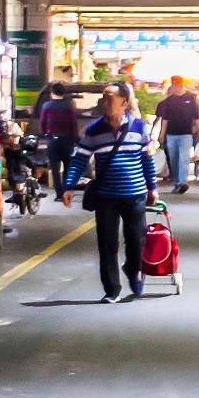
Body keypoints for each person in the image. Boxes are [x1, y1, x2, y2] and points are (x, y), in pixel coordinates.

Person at [74, 84, 157, 300]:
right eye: (103, 98)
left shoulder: (139, 127)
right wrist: (67, 185)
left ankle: (133, 269)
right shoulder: (94, 129)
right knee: (107, 244)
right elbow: (80, 158)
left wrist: (153, 187)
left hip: (135, 195)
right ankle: (112, 289)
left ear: (125, 102)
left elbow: (147, 160)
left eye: (110, 98)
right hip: (106, 196)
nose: (105, 102)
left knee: (137, 240)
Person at [154, 77, 199, 194]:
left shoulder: (190, 98)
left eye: (175, 84)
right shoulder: (169, 100)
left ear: (180, 85)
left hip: (186, 134)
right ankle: (177, 181)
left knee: (184, 159)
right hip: (171, 134)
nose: (174, 87)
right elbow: (165, 119)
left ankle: (182, 182)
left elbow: (197, 116)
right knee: (174, 159)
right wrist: (162, 134)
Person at [34, 84, 84, 193]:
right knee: (67, 166)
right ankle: (66, 190)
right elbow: (73, 124)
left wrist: (44, 135)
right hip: (67, 141)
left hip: (53, 140)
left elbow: (42, 123)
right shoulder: (69, 106)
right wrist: (76, 139)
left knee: (55, 168)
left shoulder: (47, 106)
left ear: (52, 93)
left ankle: (58, 193)